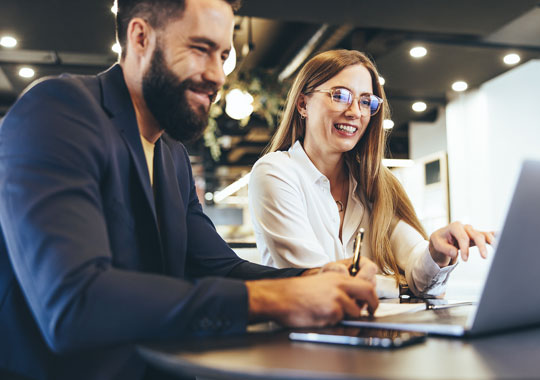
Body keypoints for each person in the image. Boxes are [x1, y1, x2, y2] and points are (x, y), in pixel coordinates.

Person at [0, 2, 379, 379]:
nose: (217, 75)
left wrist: (312, 279)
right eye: (200, 49)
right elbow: (73, 303)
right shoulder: (57, 112)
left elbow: (218, 267)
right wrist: (270, 299)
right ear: (140, 37)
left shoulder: (172, 154)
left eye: (225, 56)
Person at [249, 49, 494, 299]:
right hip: (297, 335)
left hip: (367, 334)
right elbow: (318, 280)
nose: (355, 111)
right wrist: (402, 287)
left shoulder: (374, 184)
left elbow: (419, 267)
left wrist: (436, 252)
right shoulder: (275, 172)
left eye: (366, 101)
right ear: (303, 104)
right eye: (340, 95)